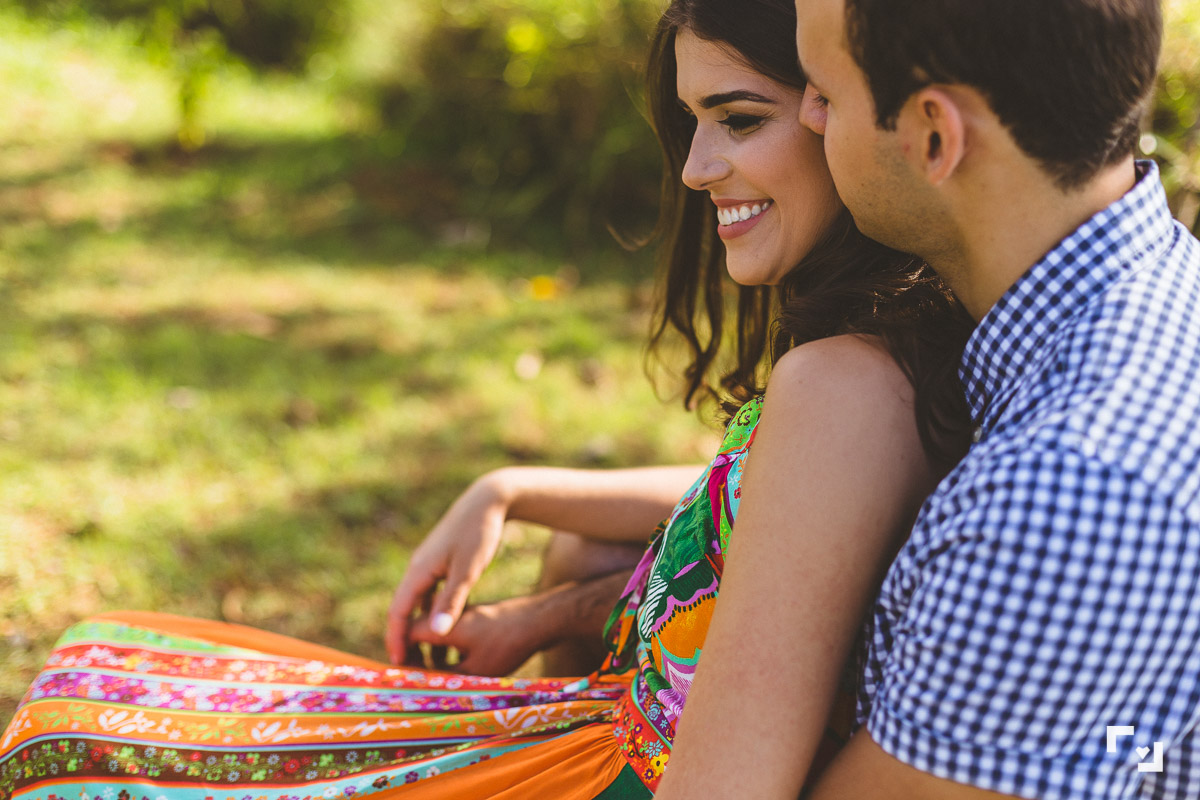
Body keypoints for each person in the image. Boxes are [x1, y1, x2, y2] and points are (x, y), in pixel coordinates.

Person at [0, 1, 974, 798]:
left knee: (76, 754)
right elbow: (778, 511)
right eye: (692, 123)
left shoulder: (845, 382)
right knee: (86, 697)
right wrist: (512, 487)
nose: (694, 168)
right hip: (600, 731)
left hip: (616, 762)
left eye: (739, 118)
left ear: (837, 113)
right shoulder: (859, 360)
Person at [761, 1, 1200, 799]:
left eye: (824, 90)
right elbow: (1132, 744)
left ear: (935, 136)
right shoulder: (1155, 291)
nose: (807, 114)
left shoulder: (1066, 496)